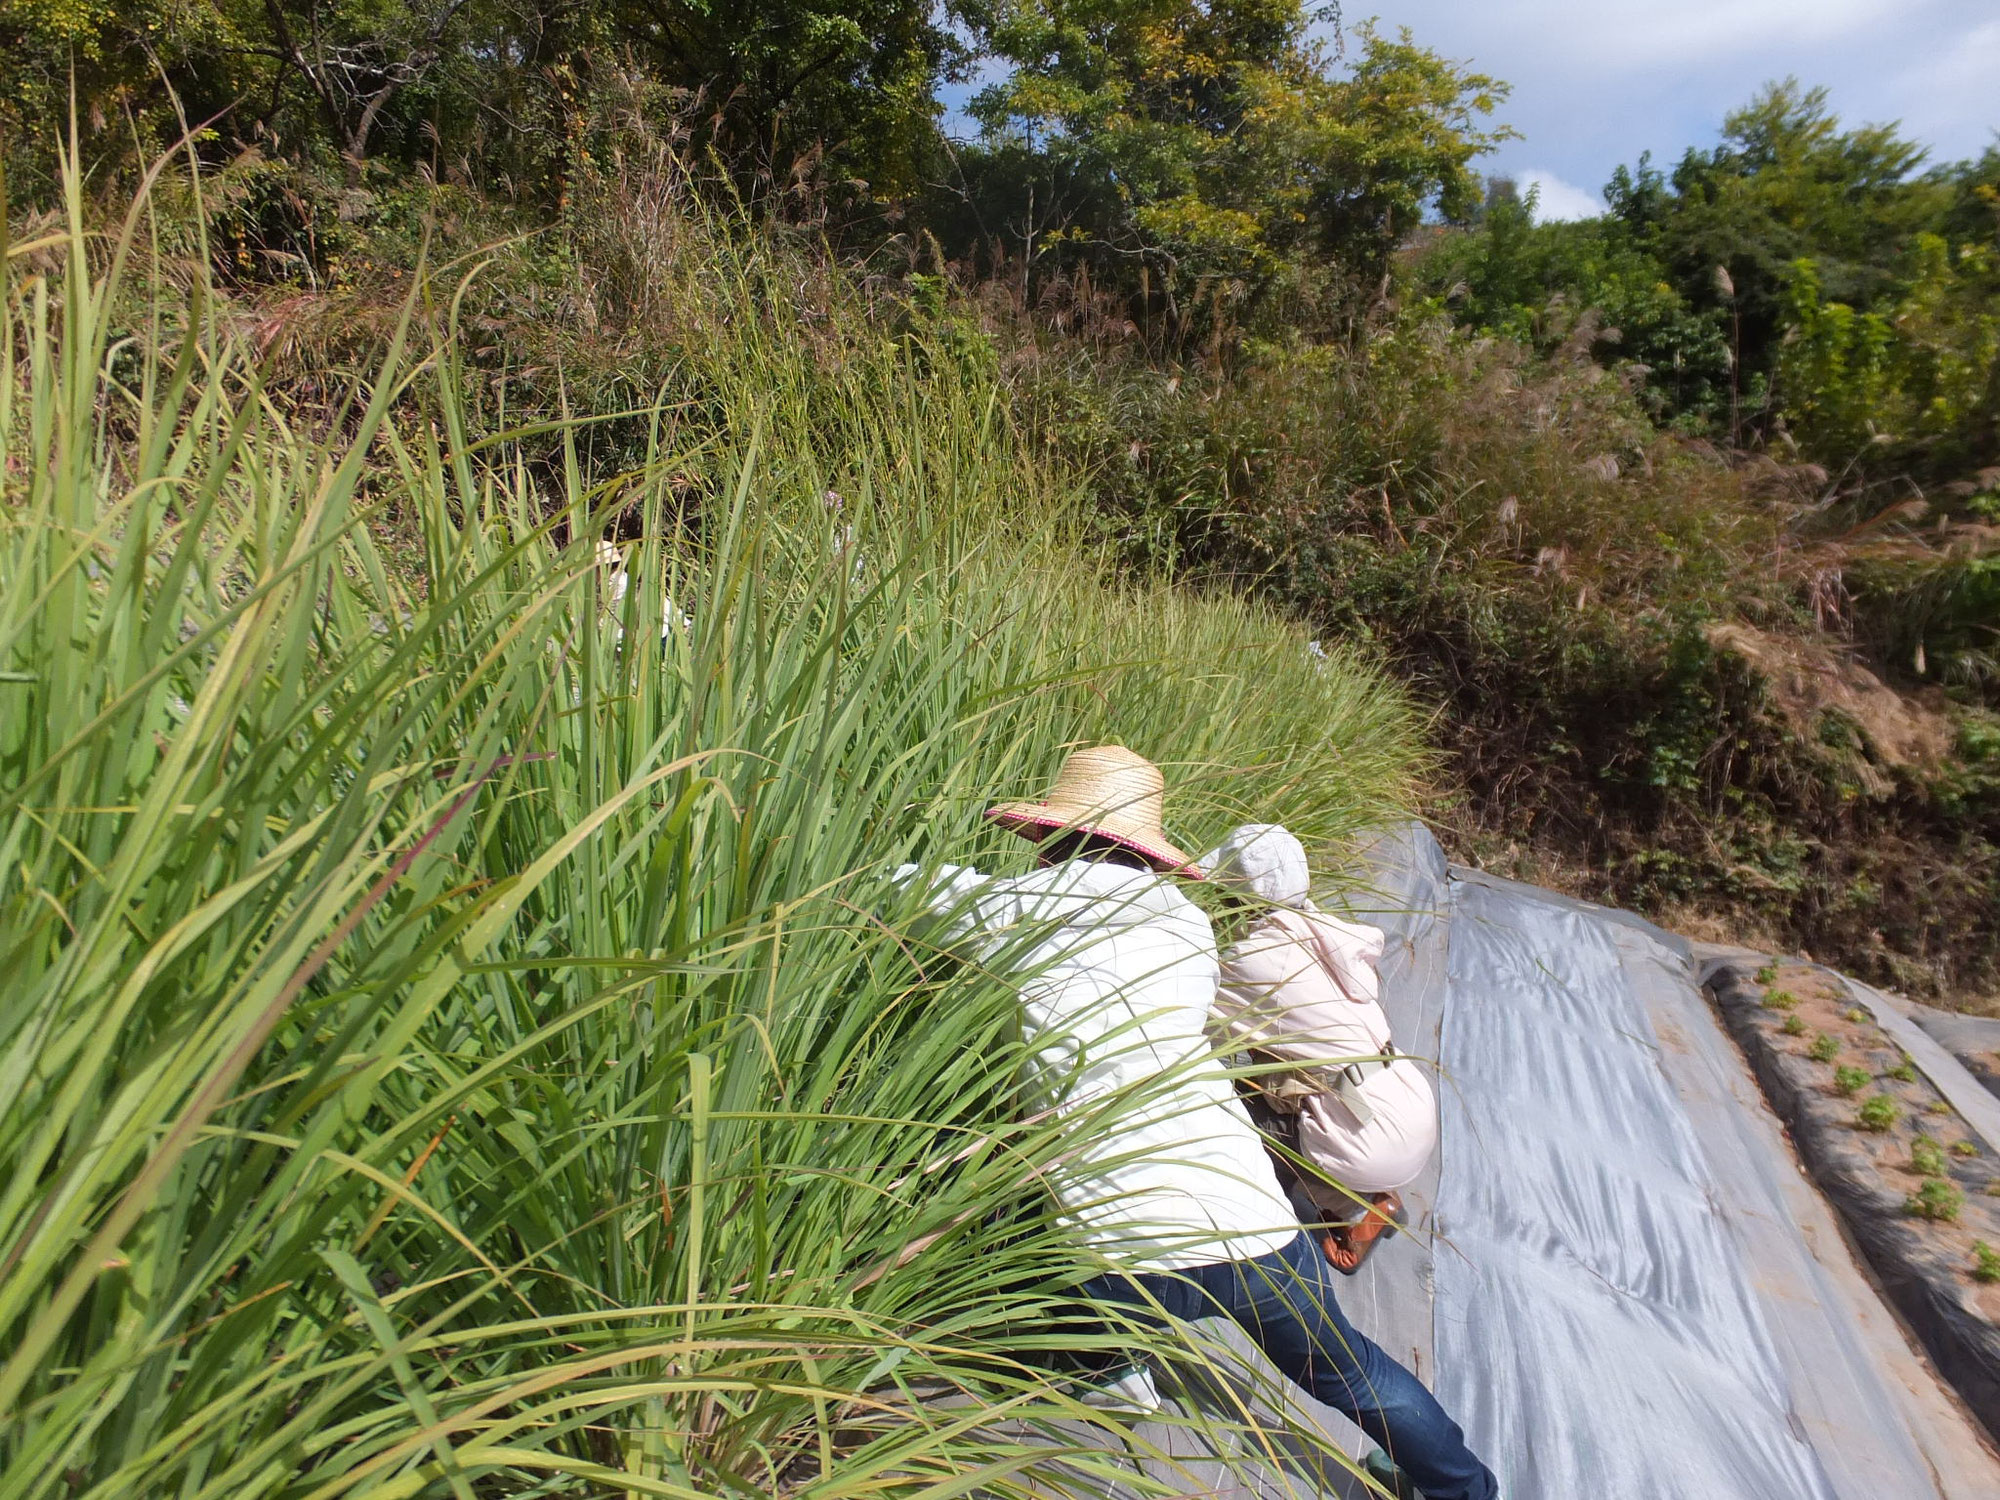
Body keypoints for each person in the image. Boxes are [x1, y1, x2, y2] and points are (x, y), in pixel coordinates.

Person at [890, 745, 1498, 1500]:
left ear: (1050, 836)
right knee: (1351, 1373)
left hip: (1130, 1255)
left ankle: (1111, 1371)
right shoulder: (1185, 923)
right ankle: (1464, 1489)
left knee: (1028, 1265)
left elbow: (907, 892)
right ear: (1145, 851)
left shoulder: (1023, 907)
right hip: (1254, 1220)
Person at [1202, 823, 1438, 1274]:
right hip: (1407, 1102)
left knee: (1228, 1104)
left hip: (1372, 1136)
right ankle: (1361, 1196)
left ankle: (1326, 1208)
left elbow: (1194, 1014)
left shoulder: (1255, 959)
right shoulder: (1326, 931)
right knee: (1282, 1069)